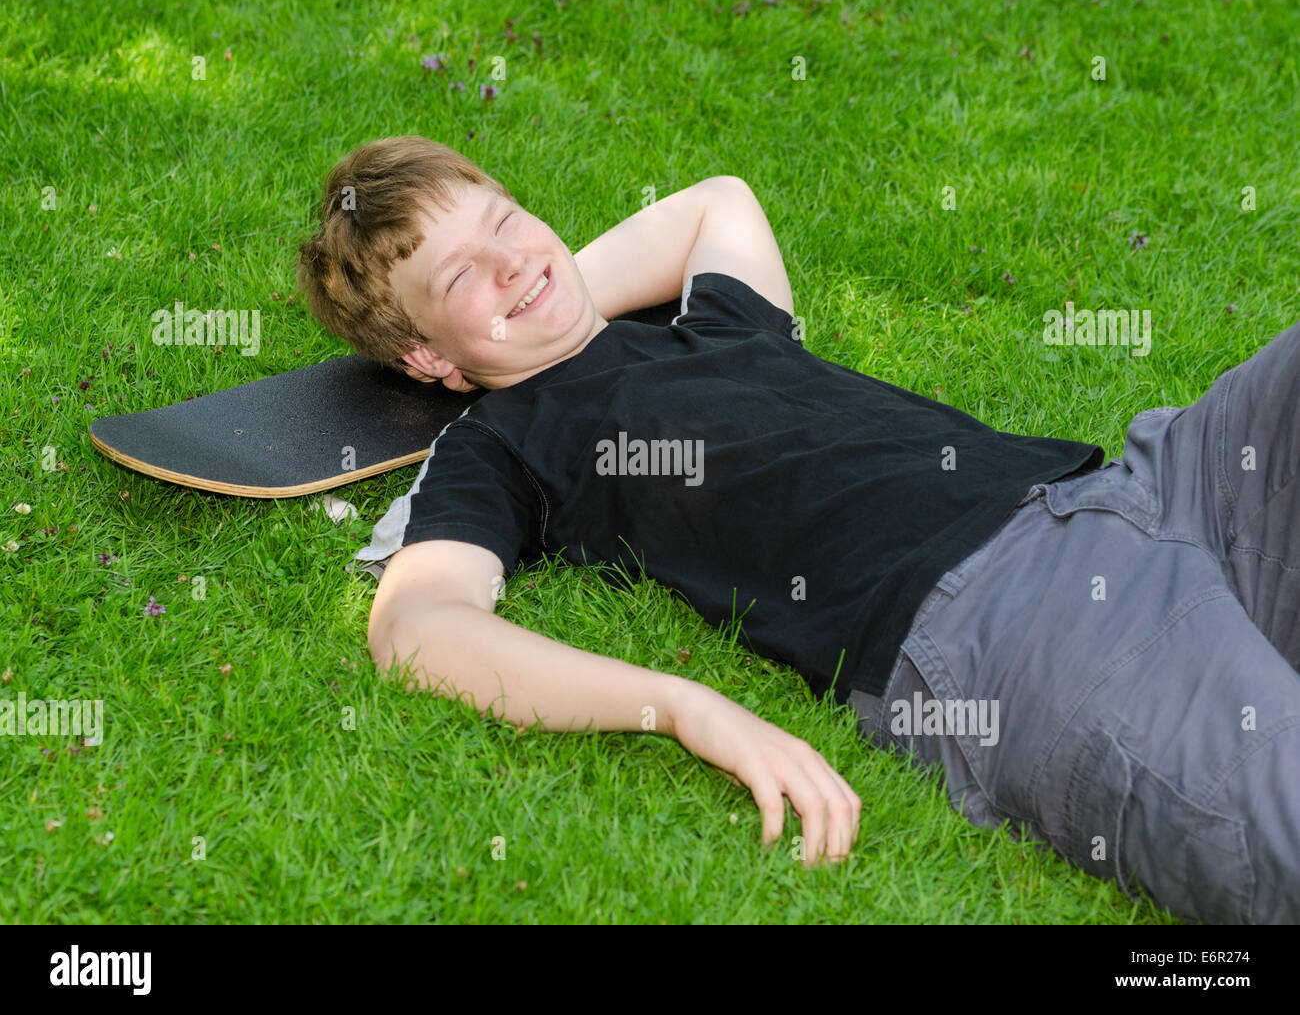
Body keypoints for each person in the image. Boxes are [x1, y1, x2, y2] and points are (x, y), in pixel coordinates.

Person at [297, 135, 1300, 924]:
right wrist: (681, 707)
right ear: (426, 357)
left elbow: (715, 202)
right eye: (461, 275)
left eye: (508, 221)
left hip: (1158, 485)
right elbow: (415, 627)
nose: (513, 258)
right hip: (1012, 624)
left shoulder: (716, 325)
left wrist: (532, 305)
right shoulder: (504, 446)